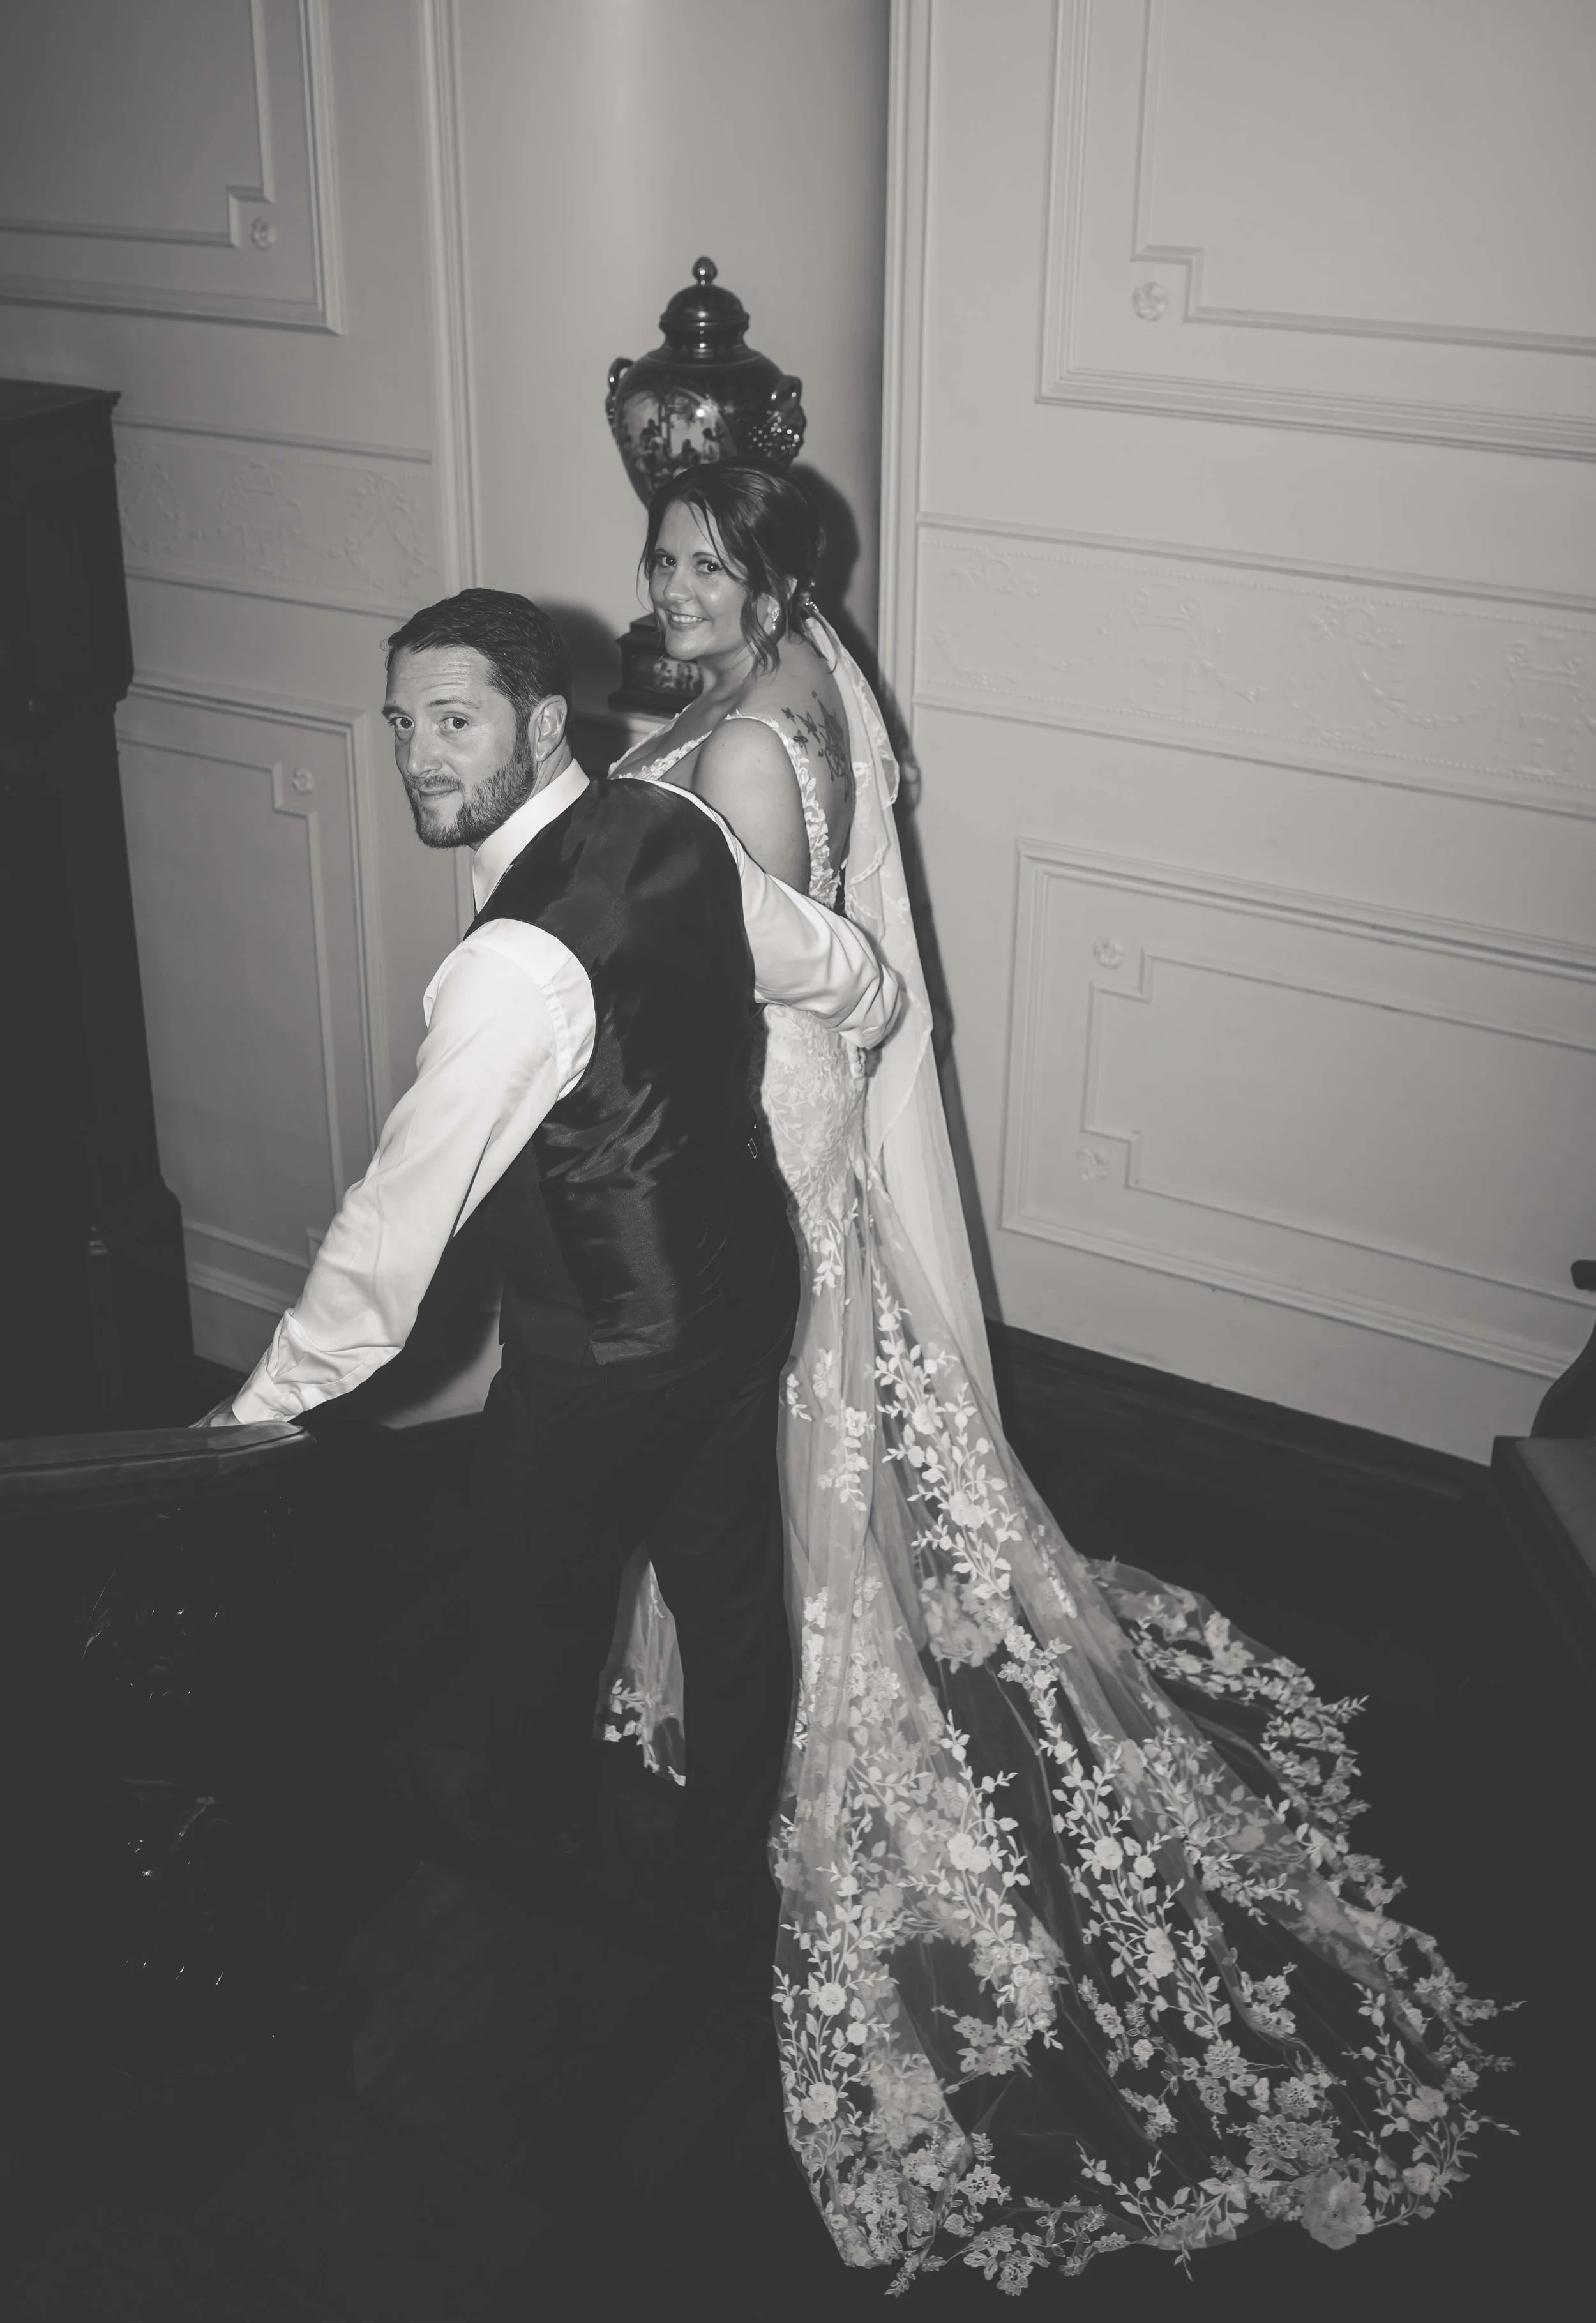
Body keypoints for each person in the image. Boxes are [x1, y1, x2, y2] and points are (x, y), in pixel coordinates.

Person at [605, 464, 1505, 2295]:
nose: (672, 583)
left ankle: (790, 1687)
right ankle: (777, 1634)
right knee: (817, 1428)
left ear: (775, 586)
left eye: (707, 563)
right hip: (794, 1122)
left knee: (771, 1424)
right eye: (662, 555)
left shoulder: (760, 754)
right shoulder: (792, 680)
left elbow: (739, 977)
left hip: (748, 1130)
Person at [210, 587, 900, 1946]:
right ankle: (720, 1860)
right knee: (730, 1582)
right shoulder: (673, 823)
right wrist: (866, 1018)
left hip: (603, 1347)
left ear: (537, 720)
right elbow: (832, 964)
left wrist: (248, 1423)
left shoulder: (510, 966)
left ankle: (530, 1857)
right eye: (404, 722)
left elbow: (389, 1238)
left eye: (454, 722)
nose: (418, 756)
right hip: (740, 1286)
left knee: (527, 1600)